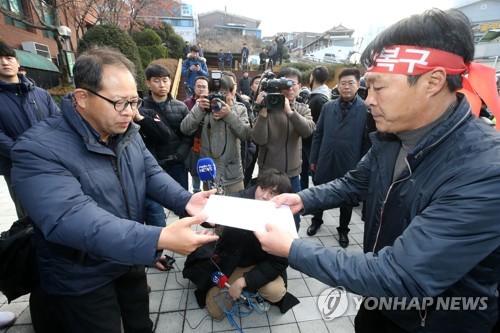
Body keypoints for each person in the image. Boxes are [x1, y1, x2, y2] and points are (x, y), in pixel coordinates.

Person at [255, 9, 500, 333]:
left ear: (433, 81)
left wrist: (293, 248)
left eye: (378, 88)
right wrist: (302, 199)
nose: (367, 100)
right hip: (378, 303)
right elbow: (355, 182)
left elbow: (401, 275)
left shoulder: (484, 169)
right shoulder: (393, 136)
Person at [10, 46, 219, 332]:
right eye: (120, 103)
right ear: (82, 97)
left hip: (127, 258)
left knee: (140, 324)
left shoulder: (126, 131)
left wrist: (186, 200)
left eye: (134, 102)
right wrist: (157, 237)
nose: (131, 113)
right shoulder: (37, 149)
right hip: (80, 275)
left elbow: (149, 171)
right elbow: (70, 218)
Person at [183, 168, 300, 320]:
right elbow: (210, 218)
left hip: (262, 264)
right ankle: (245, 289)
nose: (264, 196)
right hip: (232, 262)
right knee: (215, 311)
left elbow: (280, 262)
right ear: (257, 185)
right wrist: (192, 211)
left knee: (276, 292)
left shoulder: (283, 218)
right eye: (262, 188)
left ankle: (250, 289)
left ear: (282, 197)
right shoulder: (237, 201)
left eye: (272, 193)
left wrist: (244, 282)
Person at [307, 68, 369, 247]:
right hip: (326, 159)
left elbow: (366, 142)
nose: (346, 87)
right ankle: (316, 221)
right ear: (338, 86)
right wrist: (313, 159)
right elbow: (318, 134)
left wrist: (361, 166)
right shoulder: (328, 106)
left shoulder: (365, 110)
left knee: (347, 198)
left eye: (351, 83)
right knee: (320, 192)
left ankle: (343, 230)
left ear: (358, 86)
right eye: (343, 83)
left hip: (350, 162)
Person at [0, 42, 60, 219]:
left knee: (60, 209)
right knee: (30, 218)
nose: (5, 62)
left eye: (9, 58)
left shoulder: (41, 94)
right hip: (17, 167)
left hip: (52, 163)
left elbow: (58, 122)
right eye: (0, 59)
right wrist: (24, 153)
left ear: (18, 63)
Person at [252, 67, 315, 230]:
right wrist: (262, 112)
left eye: (293, 84)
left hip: (292, 175)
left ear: (300, 86)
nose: (290, 88)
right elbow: (259, 139)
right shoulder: (268, 107)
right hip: (268, 174)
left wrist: (289, 111)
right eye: (285, 84)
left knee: (293, 219)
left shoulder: (302, 108)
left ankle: (288, 250)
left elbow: (307, 131)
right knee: (264, 216)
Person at [136, 63, 193, 227]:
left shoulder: (180, 107)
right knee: (155, 209)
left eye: (165, 80)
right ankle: (159, 244)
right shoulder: (140, 108)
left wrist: (178, 156)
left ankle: (184, 234)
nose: (162, 85)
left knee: (183, 204)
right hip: (152, 165)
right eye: (156, 80)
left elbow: (187, 136)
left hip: (176, 164)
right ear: (148, 83)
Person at [181, 75, 251, 193]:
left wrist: (229, 115)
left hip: (232, 175)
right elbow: (185, 129)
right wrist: (198, 109)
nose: (218, 98)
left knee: (235, 208)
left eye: (223, 94)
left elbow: (246, 135)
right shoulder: (202, 108)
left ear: (232, 93)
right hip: (209, 173)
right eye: (214, 93)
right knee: (210, 209)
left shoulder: (239, 109)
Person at [300, 66, 330, 192]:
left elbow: (322, 124)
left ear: (312, 77)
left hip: (312, 142)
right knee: (304, 172)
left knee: (313, 173)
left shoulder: (320, 98)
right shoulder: (318, 96)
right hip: (309, 141)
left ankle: (310, 200)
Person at [183, 76, 210, 193]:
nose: (201, 89)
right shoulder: (186, 103)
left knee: (207, 170)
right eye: (198, 86)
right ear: (194, 87)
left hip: (209, 143)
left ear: (208, 89)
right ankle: (196, 190)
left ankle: (207, 190)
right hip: (193, 142)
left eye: (204, 87)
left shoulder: (212, 103)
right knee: (195, 170)